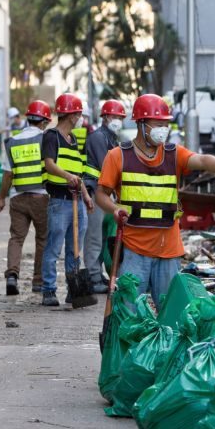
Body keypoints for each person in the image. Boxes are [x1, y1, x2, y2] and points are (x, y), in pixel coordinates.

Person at [95, 94, 215, 310]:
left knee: (172, 314)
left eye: (166, 123)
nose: (163, 128)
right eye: (158, 123)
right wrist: (115, 210)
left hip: (169, 250)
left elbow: (200, 160)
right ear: (142, 124)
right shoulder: (118, 156)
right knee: (128, 312)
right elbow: (101, 194)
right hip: (135, 248)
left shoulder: (174, 154)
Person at [41, 94, 93, 307]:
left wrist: (87, 196)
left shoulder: (74, 141)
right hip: (60, 202)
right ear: (71, 115)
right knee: (54, 247)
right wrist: (68, 177)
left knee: (75, 249)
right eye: (79, 113)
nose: (81, 117)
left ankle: (74, 291)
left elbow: (77, 173)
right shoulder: (52, 136)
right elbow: (49, 164)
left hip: (77, 201)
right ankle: (49, 290)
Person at [0, 100, 52, 297]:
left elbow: (7, 175)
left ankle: (12, 275)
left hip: (18, 198)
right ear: (44, 121)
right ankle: (38, 281)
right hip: (42, 197)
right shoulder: (47, 140)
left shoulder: (12, 141)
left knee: (17, 238)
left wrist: (1, 198)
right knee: (43, 239)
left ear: (27, 119)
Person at [82, 100, 128, 293]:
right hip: (95, 193)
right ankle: (92, 276)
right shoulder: (98, 137)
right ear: (106, 117)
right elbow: (107, 167)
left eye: (120, 118)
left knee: (101, 237)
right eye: (116, 117)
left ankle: (97, 272)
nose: (118, 120)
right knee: (93, 237)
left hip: (105, 194)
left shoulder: (110, 138)